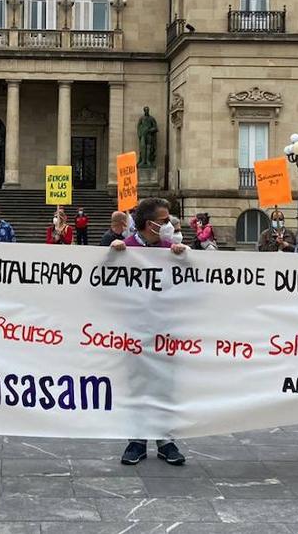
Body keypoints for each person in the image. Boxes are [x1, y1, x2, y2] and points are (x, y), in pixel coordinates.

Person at [109, 197, 188, 466]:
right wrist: (112, 254)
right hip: (134, 331)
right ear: (148, 224)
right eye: (164, 221)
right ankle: (137, 440)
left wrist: (183, 258)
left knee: (165, 385)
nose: (170, 225)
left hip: (165, 331)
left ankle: (166, 440)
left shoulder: (170, 249)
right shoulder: (125, 248)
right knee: (137, 385)